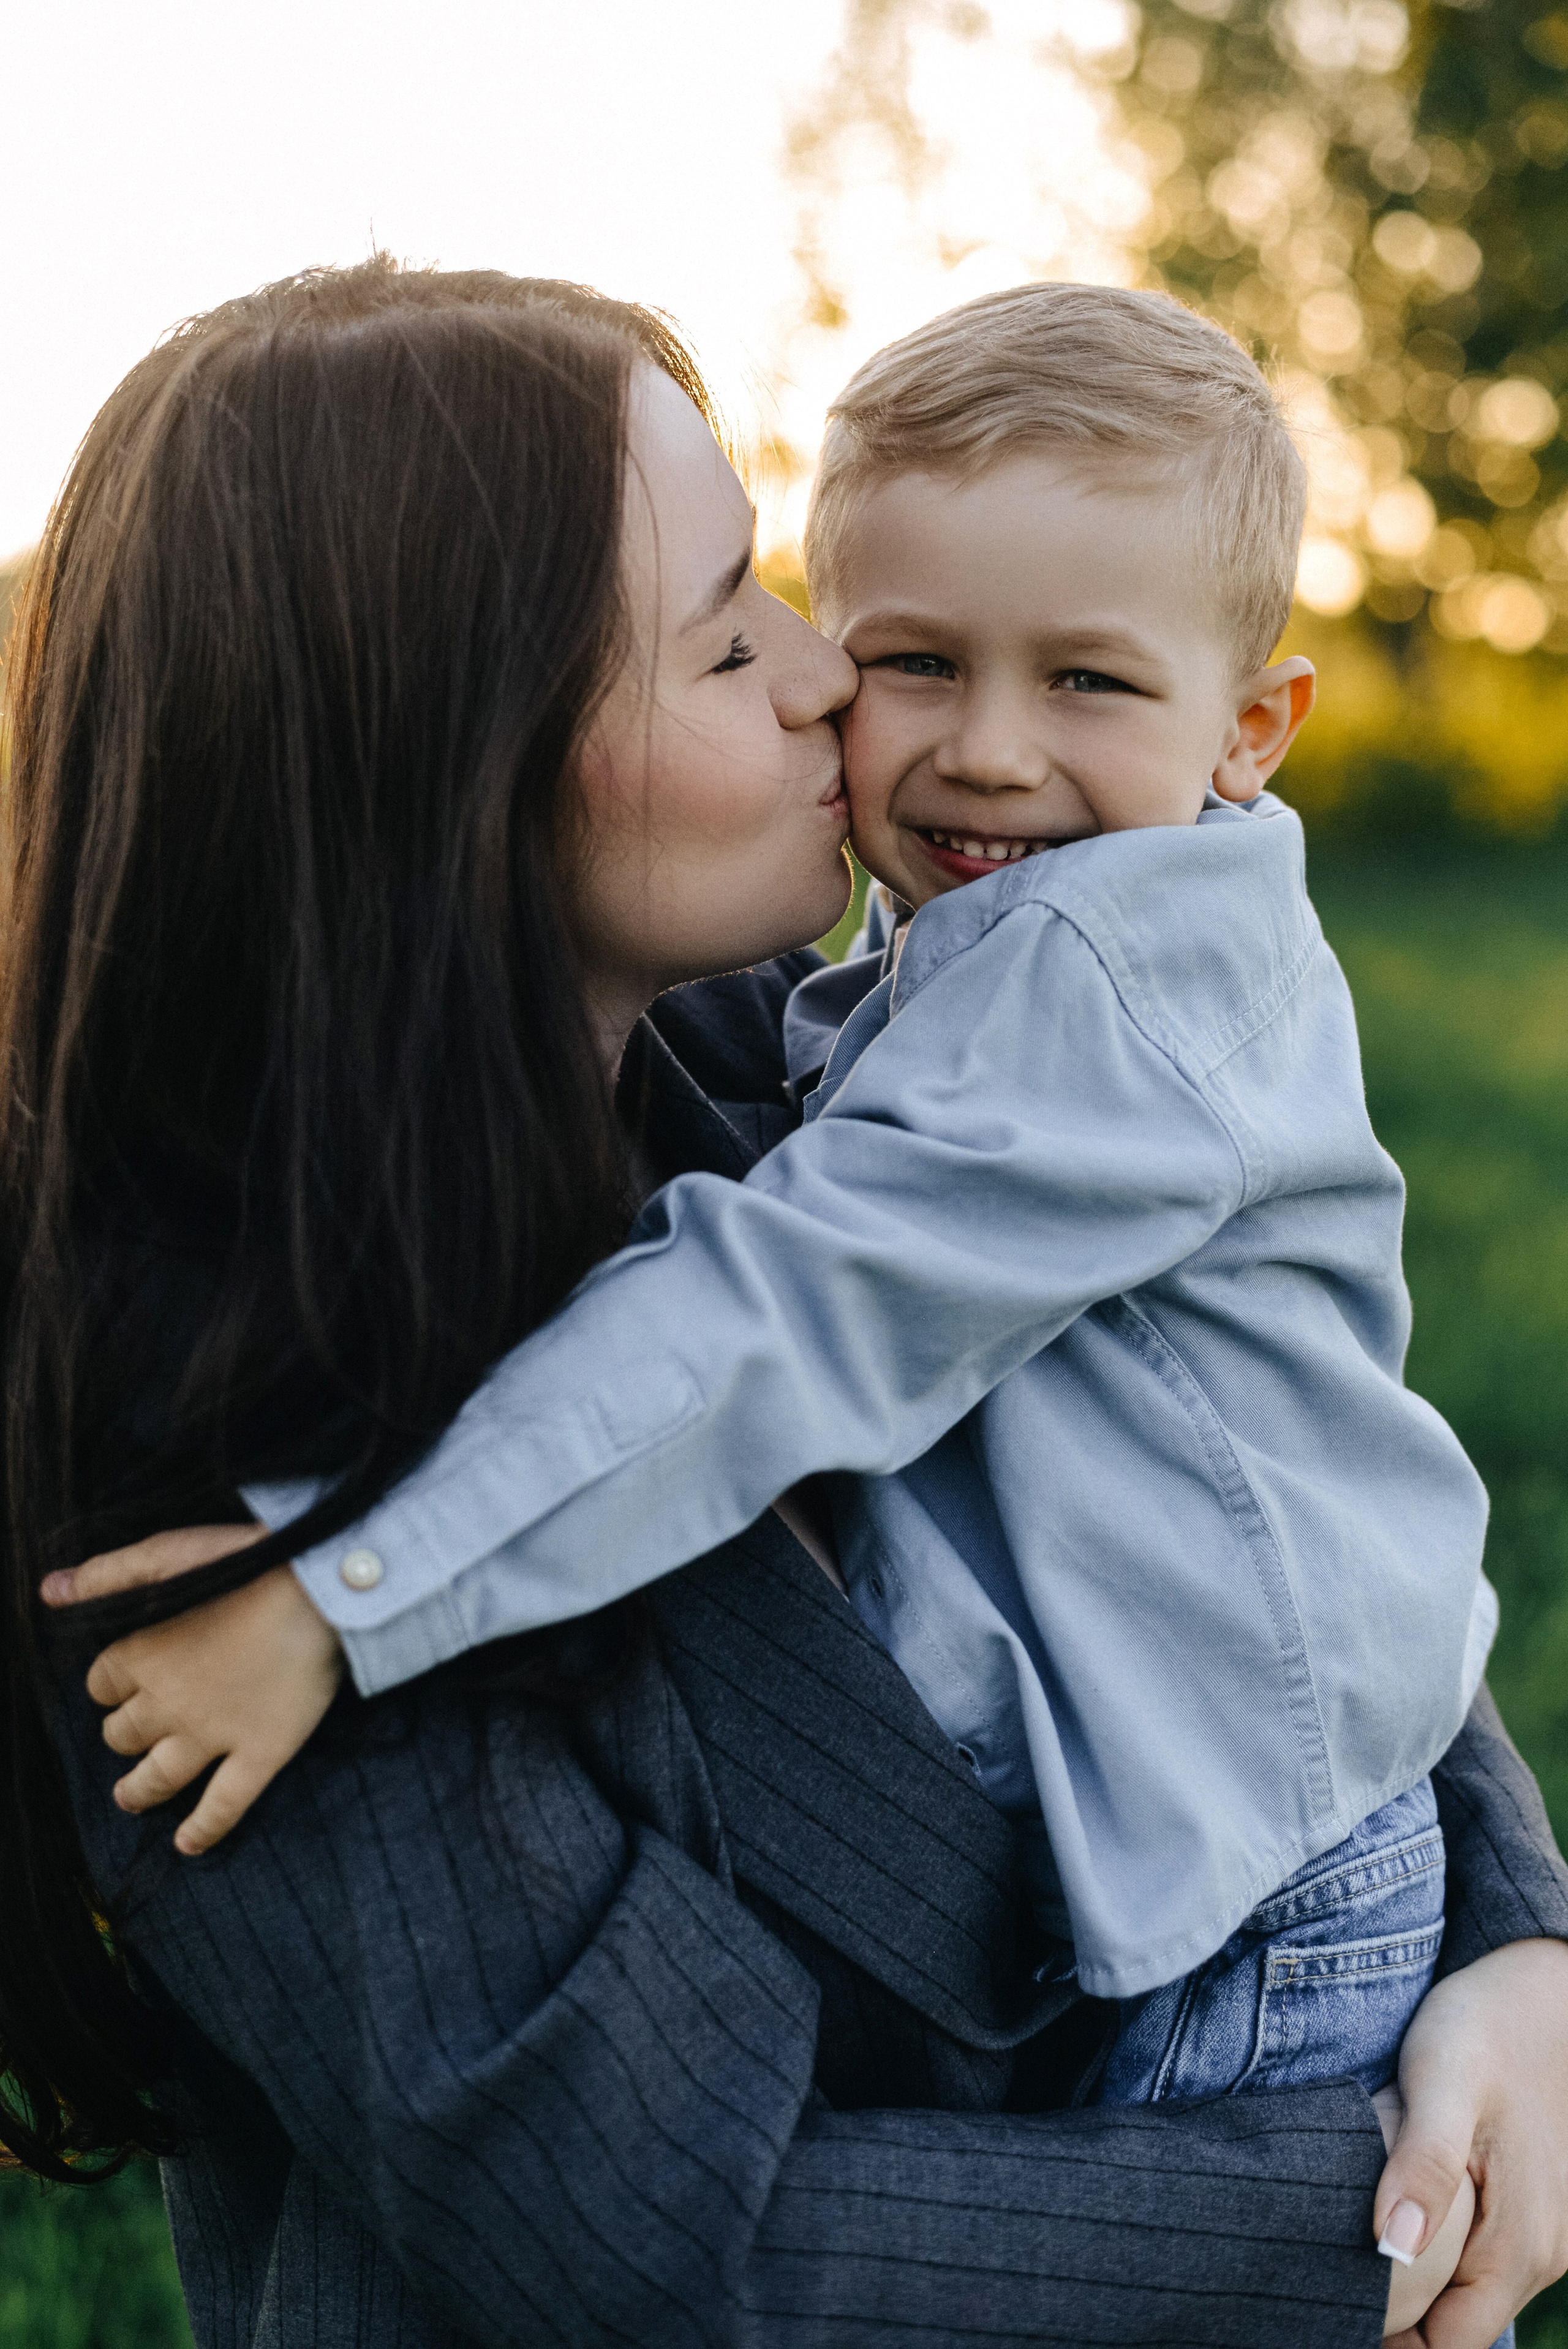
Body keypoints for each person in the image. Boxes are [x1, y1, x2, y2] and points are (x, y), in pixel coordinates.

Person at [23, 260, 1568, 2347]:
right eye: (726, 627)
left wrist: (1521, 1938)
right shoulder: (208, 1490)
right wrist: (1398, 2184)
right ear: (450, 762)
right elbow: (686, 2253)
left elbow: (1262, 1473)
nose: (838, 682)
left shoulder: (782, 1056)